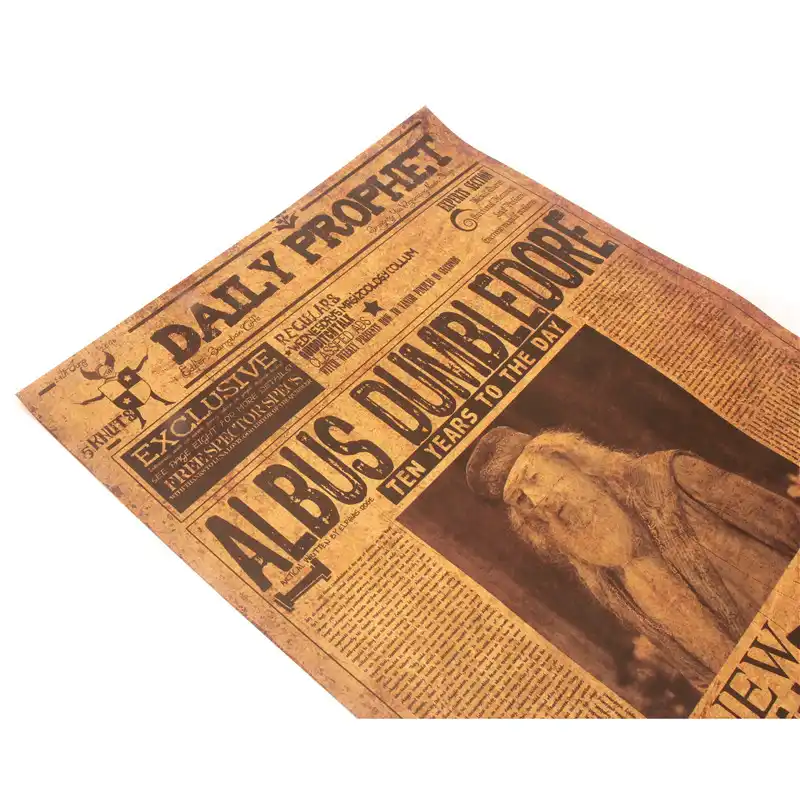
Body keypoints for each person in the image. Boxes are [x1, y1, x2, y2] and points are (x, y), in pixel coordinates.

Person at [465, 426, 800, 691]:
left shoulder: (673, 476)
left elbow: (788, 526)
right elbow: (699, 672)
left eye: (533, 478)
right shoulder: (604, 581)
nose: (539, 502)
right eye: (521, 499)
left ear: (565, 457)